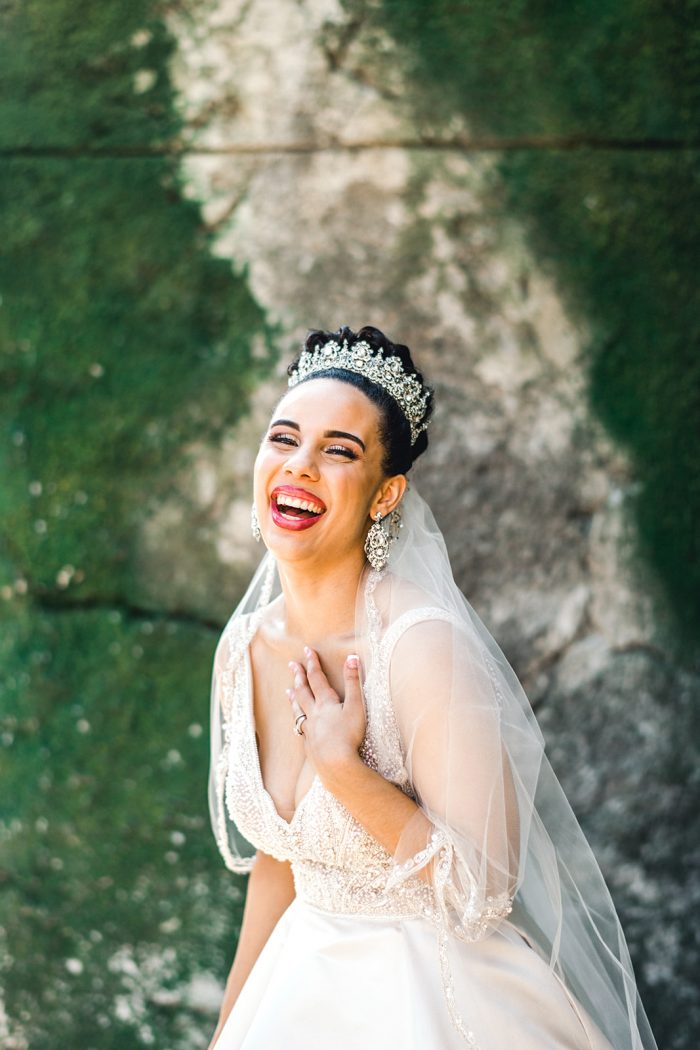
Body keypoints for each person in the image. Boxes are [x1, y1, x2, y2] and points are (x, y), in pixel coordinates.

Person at [207, 325, 657, 1050]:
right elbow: (279, 865)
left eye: (338, 451)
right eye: (283, 439)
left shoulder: (420, 646)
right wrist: (228, 1029)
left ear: (386, 495)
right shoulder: (245, 647)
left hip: (431, 1000)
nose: (300, 466)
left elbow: (484, 890)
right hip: (295, 990)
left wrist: (344, 772)